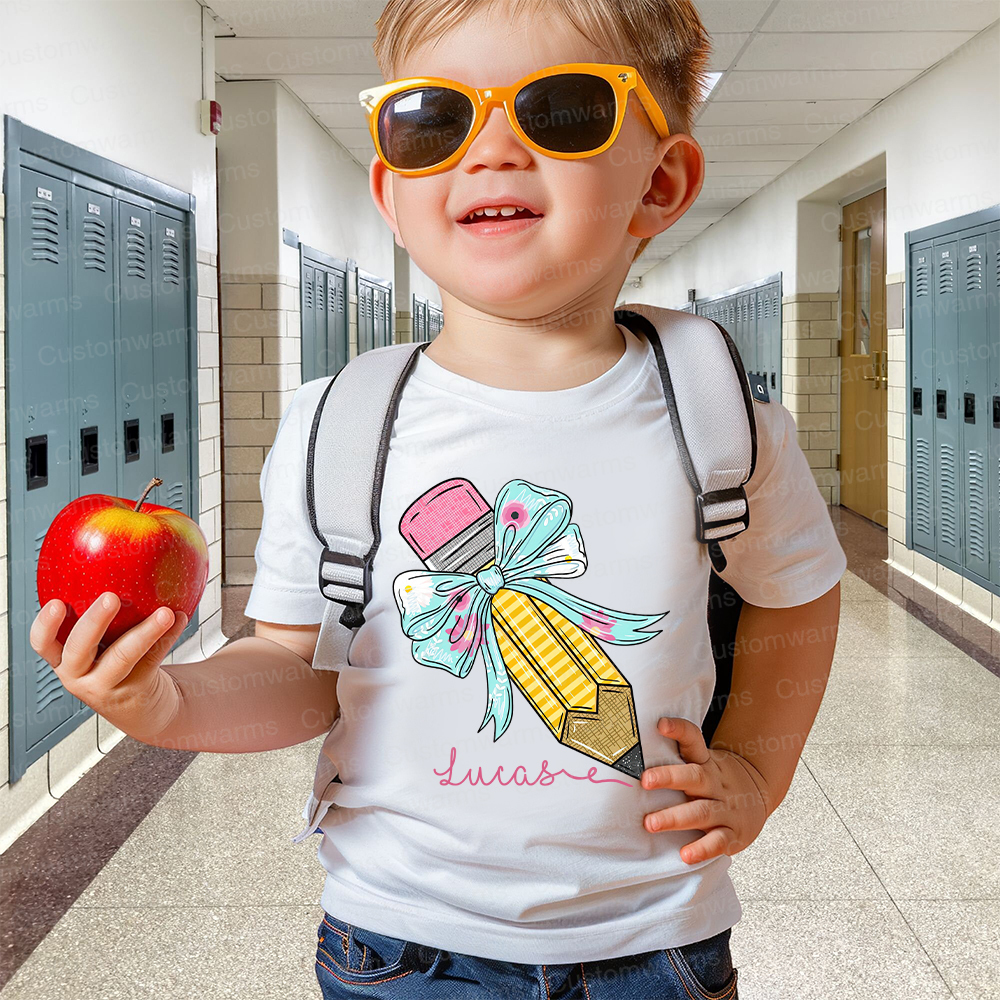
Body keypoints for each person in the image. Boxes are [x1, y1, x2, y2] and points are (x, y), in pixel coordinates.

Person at [31, 1, 847, 996]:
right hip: (398, 940)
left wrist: (757, 770)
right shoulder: (337, 426)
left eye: (562, 110)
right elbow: (297, 671)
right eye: (434, 119)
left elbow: (797, 590)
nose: (492, 148)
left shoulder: (718, 415)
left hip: (656, 934)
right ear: (392, 187)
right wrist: (165, 702)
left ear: (661, 182)